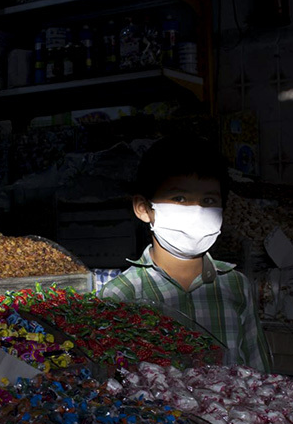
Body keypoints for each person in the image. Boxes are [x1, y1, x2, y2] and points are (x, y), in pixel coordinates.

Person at [98, 135, 272, 371]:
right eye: (179, 198)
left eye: (208, 200)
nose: (197, 212)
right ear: (143, 208)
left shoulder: (236, 286)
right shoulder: (120, 295)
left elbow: (260, 372)